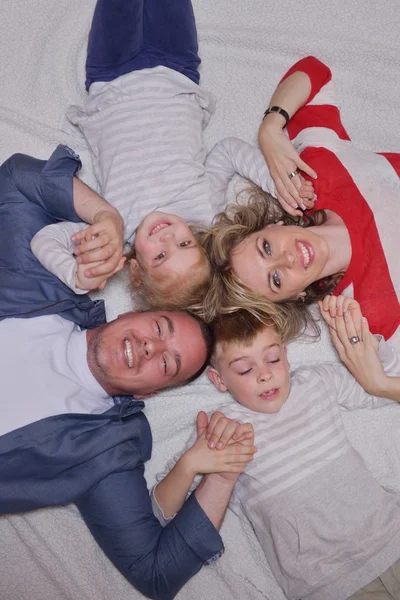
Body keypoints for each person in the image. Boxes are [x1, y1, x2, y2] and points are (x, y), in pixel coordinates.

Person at [0, 143, 257, 600]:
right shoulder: (44, 283)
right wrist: (107, 218)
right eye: (159, 328)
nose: (150, 346)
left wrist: (221, 471)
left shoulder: (103, 454)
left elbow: (156, 572)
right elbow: (17, 179)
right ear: (126, 314)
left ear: (154, 393)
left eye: (167, 362)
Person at [30, 0, 315, 309]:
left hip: (111, 76)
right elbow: (228, 151)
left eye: (161, 255)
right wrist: (275, 182)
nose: (167, 237)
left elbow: (44, 240)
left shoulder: (115, 230)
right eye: (184, 243)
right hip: (177, 70)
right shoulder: (204, 211)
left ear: (136, 270)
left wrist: (75, 274)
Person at [152, 297, 400, 600]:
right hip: (330, 585)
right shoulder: (223, 432)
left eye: (272, 359)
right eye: (244, 369)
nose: (264, 374)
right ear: (219, 380)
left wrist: (366, 346)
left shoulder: (315, 382)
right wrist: (190, 463)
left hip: (392, 536)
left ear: (286, 354)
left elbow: (382, 390)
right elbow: (162, 513)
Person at [201, 56, 399, 347]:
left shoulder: (314, 169)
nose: (287, 258)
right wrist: (376, 385)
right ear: (295, 297)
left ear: (274, 225)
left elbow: (316, 73)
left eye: (266, 247)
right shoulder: (370, 313)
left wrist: (270, 127)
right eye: (276, 279)